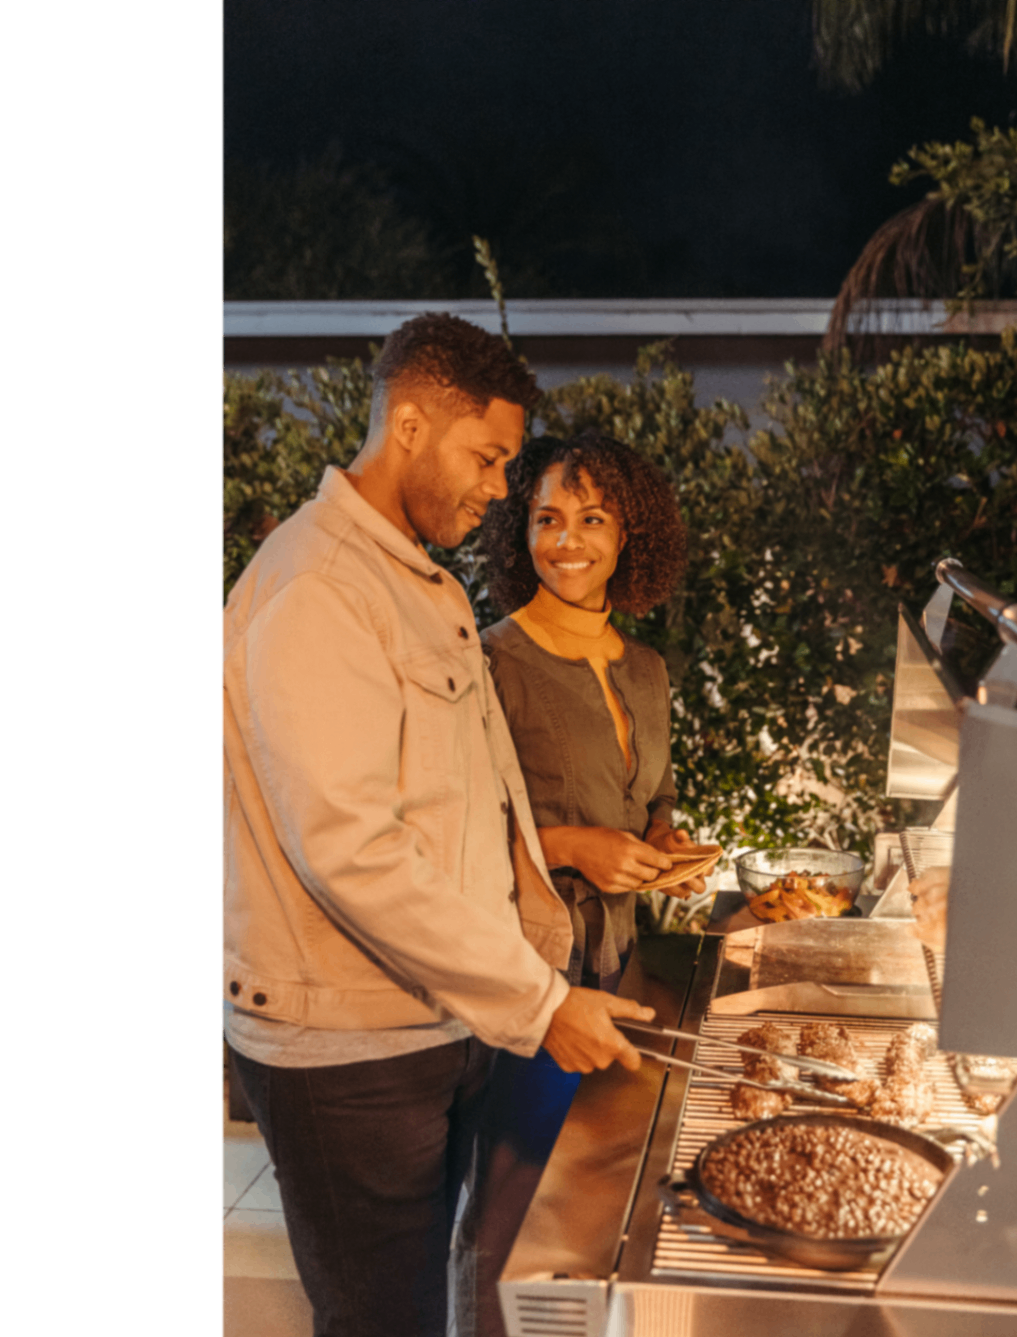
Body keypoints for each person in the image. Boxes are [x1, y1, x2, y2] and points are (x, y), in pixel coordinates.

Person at [220, 315, 655, 1337]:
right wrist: (540, 998)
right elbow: (352, 851)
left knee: (426, 1298)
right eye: (489, 456)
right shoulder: (321, 587)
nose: (500, 488)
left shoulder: (409, 577)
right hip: (345, 1051)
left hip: (427, 1019)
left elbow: (464, 806)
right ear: (409, 422)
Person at [460, 429, 708, 1337]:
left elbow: (655, 796)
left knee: (588, 1207)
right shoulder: (488, 661)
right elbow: (456, 828)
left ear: (629, 534)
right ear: (517, 531)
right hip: (532, 973)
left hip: (621, 966)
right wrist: (571, 846)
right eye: (546, 518)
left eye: (592, 518)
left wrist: (664, 840)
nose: (566, 540)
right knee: (509, 1213)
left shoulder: (643, 668)